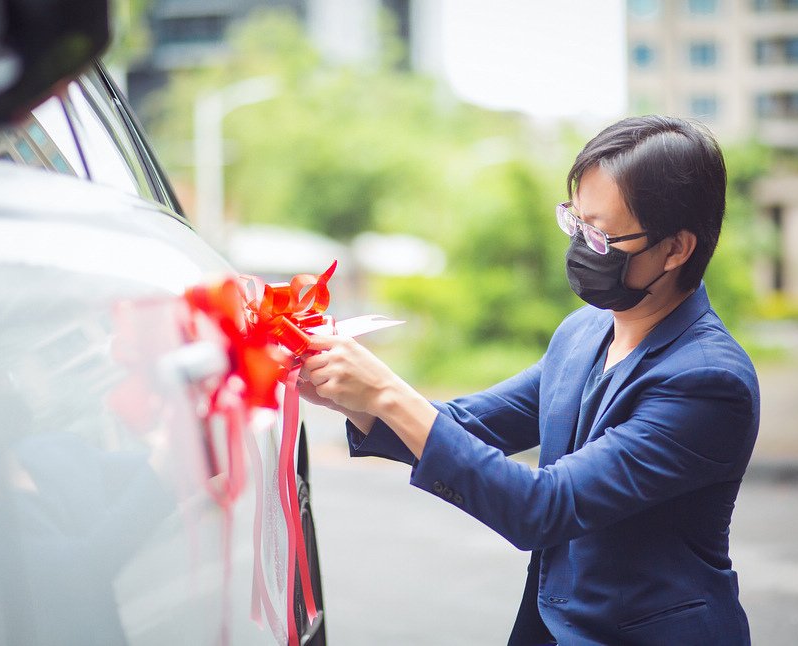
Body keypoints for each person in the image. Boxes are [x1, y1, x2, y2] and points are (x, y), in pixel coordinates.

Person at [300, 115, 759, 645]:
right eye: (576, 222)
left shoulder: (708, 382)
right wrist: (349, 394)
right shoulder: (584, 333)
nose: (583, 246)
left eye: (602, 234)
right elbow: (468, 425)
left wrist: (385, 391)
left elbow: (544, 507)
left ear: (677, 249)